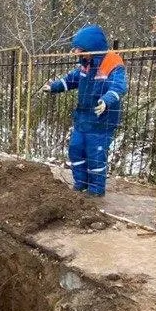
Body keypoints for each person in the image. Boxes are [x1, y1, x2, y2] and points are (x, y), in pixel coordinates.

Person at [39, 24, 127, 196]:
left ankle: (95, 191)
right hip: (83, 119)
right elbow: (71, 79)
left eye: (80, 49)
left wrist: (106, 100)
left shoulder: (112, 63)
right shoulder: (86, 64)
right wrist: (54, 87)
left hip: (102, 122)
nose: (77, 52)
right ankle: (81, 184)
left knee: (95, 157)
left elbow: (119, 86)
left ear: (92, 47)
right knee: (76, 150)